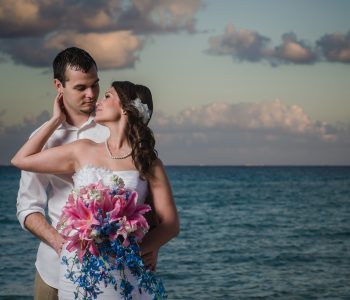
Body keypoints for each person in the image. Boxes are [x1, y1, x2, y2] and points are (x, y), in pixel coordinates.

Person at [12, 81, 180, 299]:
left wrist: (139, 252)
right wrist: (56, 120)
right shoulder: (82, 150)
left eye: (108, 96)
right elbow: (20, 159)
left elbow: (170, 224)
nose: (99, 101)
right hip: (78, 267)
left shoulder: (148, 162)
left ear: (125, 108)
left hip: (123, 270)